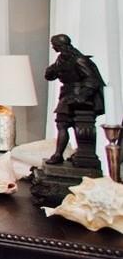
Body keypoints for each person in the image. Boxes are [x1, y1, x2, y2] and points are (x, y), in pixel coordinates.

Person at [44, 34, 105, 165]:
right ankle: (59, 154)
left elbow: (92, 80)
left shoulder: (78, 59)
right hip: (66, 94)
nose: (53, 47)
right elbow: (50, 76)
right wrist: (51, 70)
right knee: (62, 124)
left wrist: (81, 96)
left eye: (54, 44)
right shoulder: (62, 59)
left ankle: (81, 154)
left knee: (78, 125)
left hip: (79, 96)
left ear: (60, 45)